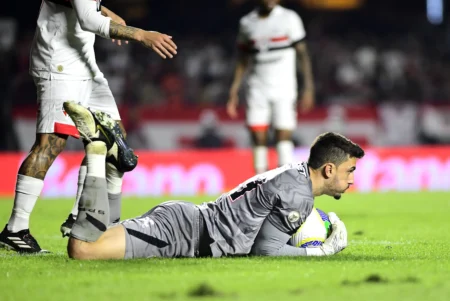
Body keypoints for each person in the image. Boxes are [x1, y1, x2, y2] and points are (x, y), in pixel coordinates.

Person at [62, 102, 363, 260]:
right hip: (183, 235)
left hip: (189, 222)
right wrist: (320, 251)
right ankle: (98, 156)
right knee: (85, 250)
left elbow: (265, 239)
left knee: (105, 238)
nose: (352, 179)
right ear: (328, 169)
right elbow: (265, 252)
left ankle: (114, 173)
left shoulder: (294, 175)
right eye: (349, 170)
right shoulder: (299, 195)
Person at [0, 0, 177, 253]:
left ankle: (77, 216)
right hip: (59, 64)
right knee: (50, 144)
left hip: (84, 64)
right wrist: (142, 34)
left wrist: (103, 9)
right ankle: (15, 230)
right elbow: (87, 20)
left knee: (114, 137)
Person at [226, 0, 315, 174]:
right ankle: (260, 183)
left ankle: (284, 182)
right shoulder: (247, 23)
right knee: (258, 137)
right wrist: (234, 90)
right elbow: (242, 59)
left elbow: (303, 54)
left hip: (284, 87)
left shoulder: (289, 18)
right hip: (257, 88)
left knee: (283, 136)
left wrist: (309, 87)